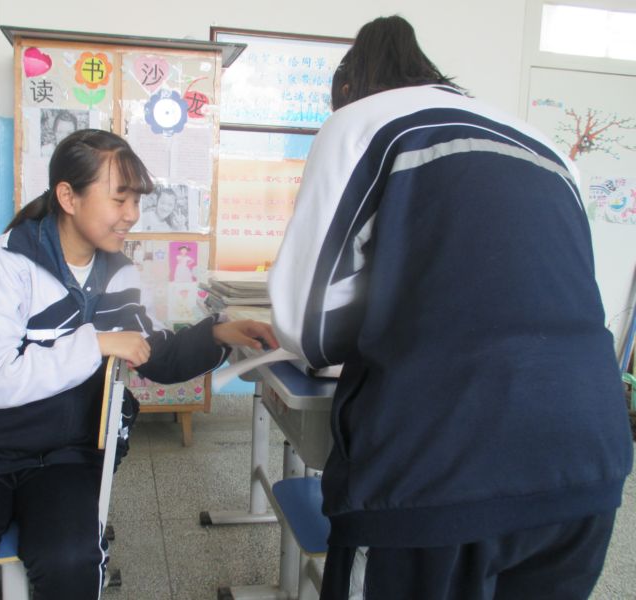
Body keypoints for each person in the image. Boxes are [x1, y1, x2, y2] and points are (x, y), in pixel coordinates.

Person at [268, 15, 632, 600]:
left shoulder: (360, 124)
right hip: (589, 463)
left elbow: (308, 328)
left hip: (436, 470)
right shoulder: (547, 149)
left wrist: (388, 311)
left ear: (347, 88)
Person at [0, 129, 277, 599]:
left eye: (136, 201)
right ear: (68, 197)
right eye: (119, 199)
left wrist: (218, 334)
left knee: (72, 563)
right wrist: (96, 343)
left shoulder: (120, 272)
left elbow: (154, 351)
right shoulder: (6, 261)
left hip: (65, 457)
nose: (131, 214)